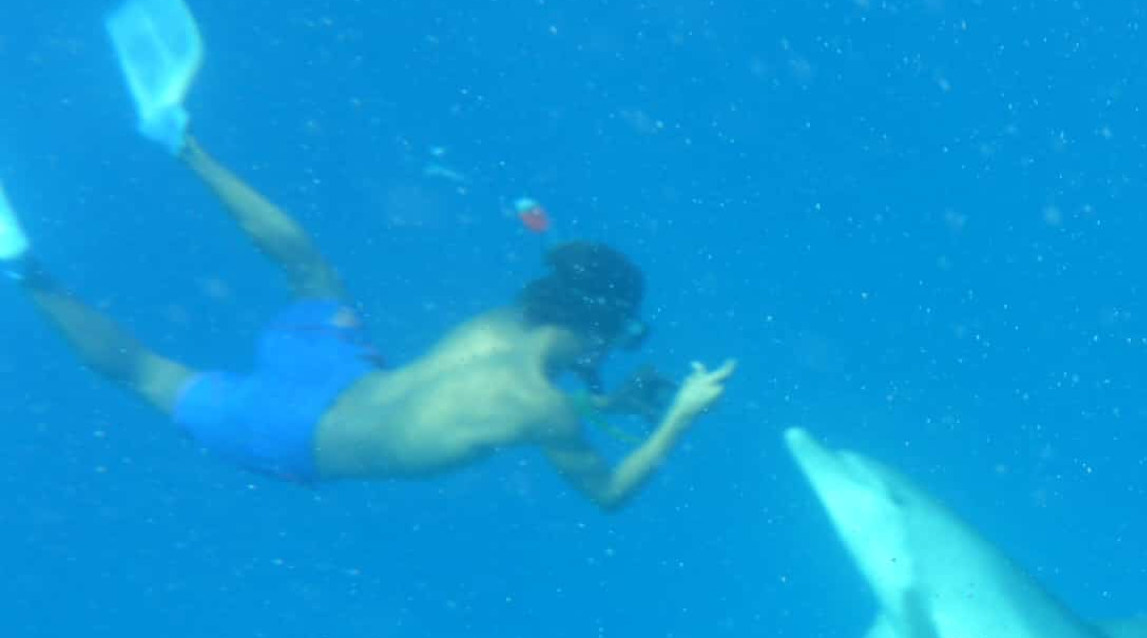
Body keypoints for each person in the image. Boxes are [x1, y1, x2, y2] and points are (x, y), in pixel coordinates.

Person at [3, 137, 734, 507]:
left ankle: (185, 145)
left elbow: (501, 401)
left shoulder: (505, 324)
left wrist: (610, 401)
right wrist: (679, 418)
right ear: (605, 330)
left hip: (327, 368)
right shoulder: (543, 406)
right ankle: (22, 266)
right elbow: (607, 494)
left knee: (309, 271)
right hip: (292, 432)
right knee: (143, 373)